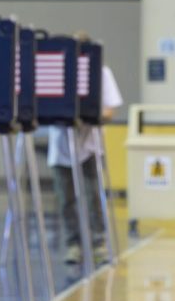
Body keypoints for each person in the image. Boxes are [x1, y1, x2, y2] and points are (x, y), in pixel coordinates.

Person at [47, 49, 122, 266]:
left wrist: (88, 115)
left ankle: (99, 244)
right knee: (66, 200)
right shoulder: (56, 71)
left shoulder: (100, 72)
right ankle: (74, 245)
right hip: (61, 146)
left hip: (89, 145)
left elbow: (110, 110)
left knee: (93, 196)